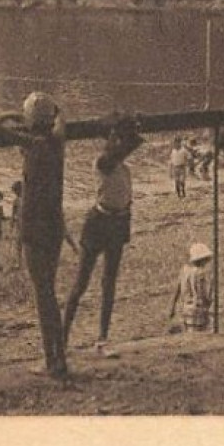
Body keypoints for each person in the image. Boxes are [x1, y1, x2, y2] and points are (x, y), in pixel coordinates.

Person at [0, 92, 71, 379]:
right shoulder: (57, 142)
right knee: (49, 292)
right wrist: (44, 113)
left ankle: (52, 361)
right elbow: (61, 117)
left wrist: (12, 112)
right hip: (54, 224)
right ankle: (58, 357)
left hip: (34, 226)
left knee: (42, 294)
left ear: (31, 122)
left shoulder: (32, 144)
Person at [62, 116, 144, 357]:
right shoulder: (100, 163)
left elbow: (129, 146)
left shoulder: (124, 169)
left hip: (118, 223)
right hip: (98, 222)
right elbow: (126, 147)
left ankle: (102, 340)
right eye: (115, 140)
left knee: (109, 283)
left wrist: (128, 127)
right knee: (81, 283)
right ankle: (63, 337)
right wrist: (119, 132)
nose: (120, 145)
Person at [169, 242, 215, 333]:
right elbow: (203, 293)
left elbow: (176, 290)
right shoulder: (200, 273)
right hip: (198, 309)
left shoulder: (184, 271)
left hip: (186, 309)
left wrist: (172, 308)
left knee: (189, 333)